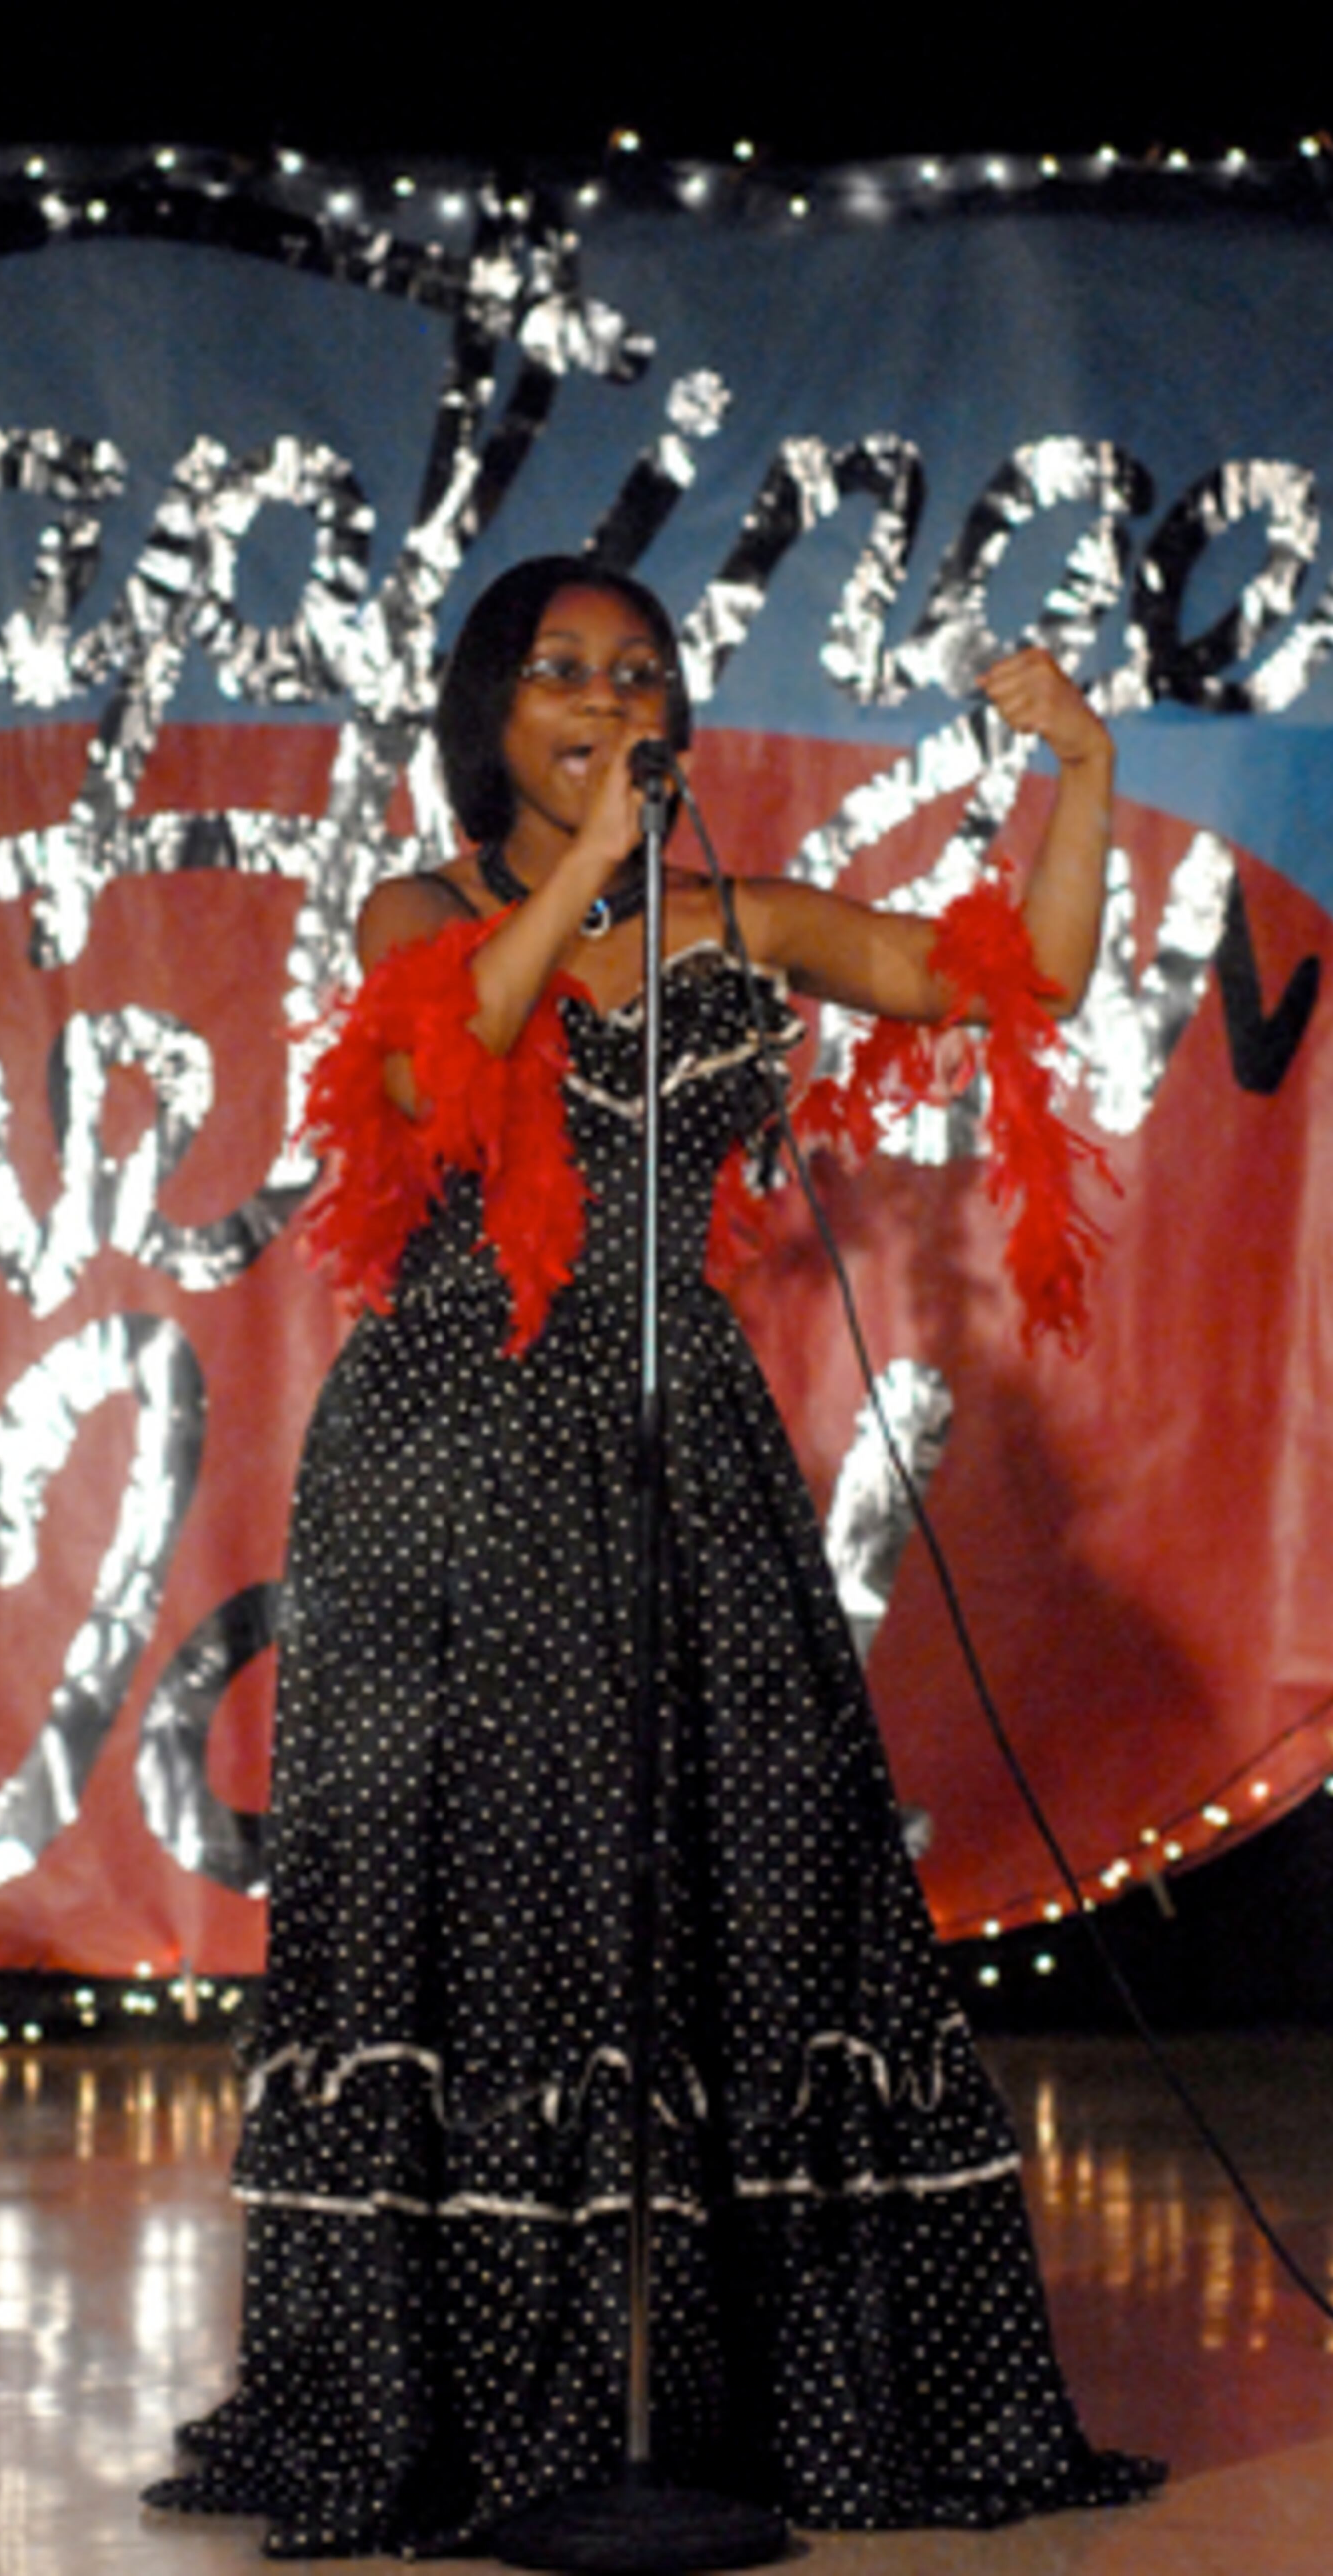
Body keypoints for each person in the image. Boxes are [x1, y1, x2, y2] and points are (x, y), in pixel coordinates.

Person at [145, 557, 1162, 2550]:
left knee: (748, 1883)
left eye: (640, 670)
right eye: (563, 673)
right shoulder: (421, 913)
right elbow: (439, 1083)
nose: (610, 694)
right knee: (490, 1898)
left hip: (678, 1439)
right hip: (452, 1459)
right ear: (491, 718)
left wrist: (1087, 782)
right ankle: (454, 2408)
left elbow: (1012, 983)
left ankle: (733, 2399)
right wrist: (586, 866)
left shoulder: (738, 918)